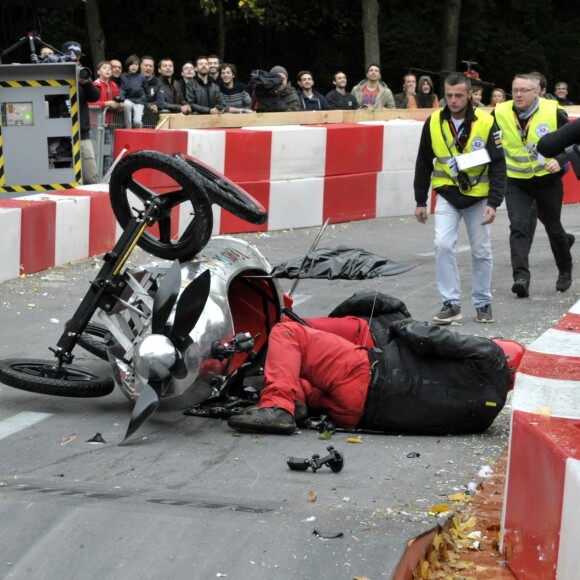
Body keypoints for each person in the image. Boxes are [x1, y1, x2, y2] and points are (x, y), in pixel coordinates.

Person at [227, 306, 523, 436]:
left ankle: (278, 406)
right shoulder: (486, 417)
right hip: (356, 415)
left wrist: (400, 327)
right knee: (307, 381)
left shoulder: (489, 356)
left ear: (502, 352)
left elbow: (425, 336)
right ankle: (295, 401)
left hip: (364, 374)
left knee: (289, 333)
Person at [414, 72, 506, 324]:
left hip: (478, 197)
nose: (453, 101)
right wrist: (420, 201)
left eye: (458, 96)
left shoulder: (487, 122)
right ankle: (451, 303)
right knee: (442, 245)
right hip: (446, 193)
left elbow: (499, 165)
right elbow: (423, 162)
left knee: (481, 250)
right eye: (449, 95)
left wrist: (493, 202)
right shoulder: (433, 121)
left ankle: (483, 302)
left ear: (469, 95)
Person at [493, 73, 572, 296]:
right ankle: (521, 277)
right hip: (516, 181)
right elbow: (491, 140)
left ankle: (565, 271)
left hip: (547, 180)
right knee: (518, 226)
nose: (518, 95)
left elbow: (573, 142)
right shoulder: (500, 112)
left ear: (535, 91)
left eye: (523, 91)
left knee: (553, 227)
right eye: (514, 90)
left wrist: (560, 160)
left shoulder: (553, 110)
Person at [60, 41, 100, 184]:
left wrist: (85, 81)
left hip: (82, 135)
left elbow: (95, 96)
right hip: (57, 137)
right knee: (62, 179)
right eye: (71, 56)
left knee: (91, 178)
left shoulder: (82, 74)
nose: (75, 59)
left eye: (77, 56)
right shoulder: (54, 75)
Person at [118, 54, 147, 128]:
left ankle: (139, 134)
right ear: (128, 65)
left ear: (139, 66)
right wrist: (121, 100)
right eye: (131, 64)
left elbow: (146, 89)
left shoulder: (142, 77)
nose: (134, 66)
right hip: (128, 99)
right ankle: (128, 128)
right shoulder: (123, 76)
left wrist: (147, 101)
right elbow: (122, 89)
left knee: (137, 122)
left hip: (140, 100)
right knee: (126, 104)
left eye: (136, 64)